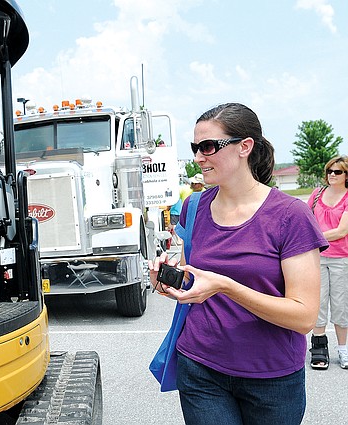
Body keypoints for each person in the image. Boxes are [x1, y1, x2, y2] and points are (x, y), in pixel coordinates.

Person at [149, 103, 327, 424]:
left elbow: (304, 317)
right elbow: (194, 282)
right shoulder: (194, 206)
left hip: (271, 378)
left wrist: (227, 287)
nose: (198, 157)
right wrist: (168, 282)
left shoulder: (290, 215)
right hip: (200, 366)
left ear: (244, 147)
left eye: (208, 146)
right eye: (195, 148)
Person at [307, 156, 348, 369]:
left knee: (341, 306)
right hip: (317, 256)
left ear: (346, 175)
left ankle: (343, 350)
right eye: (330, 170)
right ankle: (319, 347)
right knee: (319, 303)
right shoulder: (317, 194)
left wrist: (314, 236)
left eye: (338, 172)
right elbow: (307, 220)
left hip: (342, 258)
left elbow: (342, 231)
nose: (332, 174)